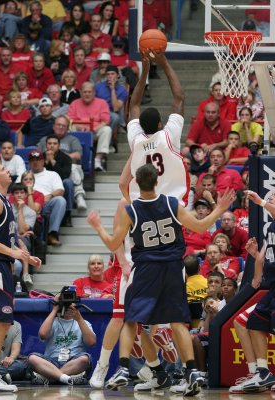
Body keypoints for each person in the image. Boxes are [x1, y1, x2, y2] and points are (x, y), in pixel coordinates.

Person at [88, 163, 235, 395]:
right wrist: (220, 209)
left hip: (146, 269)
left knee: (130, 319)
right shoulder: (172, 203)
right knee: (177, 322)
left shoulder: (131, 210)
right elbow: (199, 226)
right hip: (173, 268)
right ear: (157, 182)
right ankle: (191, 371)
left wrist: (98, 226)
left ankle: (124, 368)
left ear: (137, 183)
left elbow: (113, 244)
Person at [0, 156, 41, 393]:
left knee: (2, 321)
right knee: (2, 320)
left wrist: (25, 256)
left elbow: (8, 238)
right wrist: (11, 251)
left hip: (3, 265)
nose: (8, 170)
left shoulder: (6, 202)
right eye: (2, 168)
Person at [125, 52, 189, 205]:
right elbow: (179, 98)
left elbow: (134, 105)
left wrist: (145, 71)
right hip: (171, 201)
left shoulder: (135, 139)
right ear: (160, 124)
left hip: (142, 203)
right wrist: (164, 63)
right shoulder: (168, 137)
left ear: (139, 126)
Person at [228, 189, 275, 392]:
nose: (271, 197)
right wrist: (255, 255)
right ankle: (260, 373)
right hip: (272, 287)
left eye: (274, 196)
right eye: (270, 195)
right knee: (250, 322)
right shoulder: (270, 227)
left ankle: (261, 373)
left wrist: (262, 202)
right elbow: (262, 262)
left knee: (256, 322)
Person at [28, 292, 96, 385]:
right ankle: (66, 378)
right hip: (52, 362)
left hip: (73, 361)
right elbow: (43, 335)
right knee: (33, 358)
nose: (67, 305)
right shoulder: (53, 322)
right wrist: (54, 309)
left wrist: (79, 318)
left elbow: (91, 343)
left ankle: (50, 378)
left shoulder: (83, 322)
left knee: (84, 359)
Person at [67, 81, 112, 172]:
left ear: (94, 92)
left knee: (107, 129)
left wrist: (95, 128)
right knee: (70, 127)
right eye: (84, 92)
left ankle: (98, 159)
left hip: (95, 130)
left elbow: (105, 121)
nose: (87, 94)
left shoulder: (102, 103)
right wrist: (79, 127)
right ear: (80, 93)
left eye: (89, 92)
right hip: (79, 131)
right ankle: (72, 157)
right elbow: (70, 120)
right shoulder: (74, 103)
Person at [28, 149, 66, 246]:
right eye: (32, 160)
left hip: (46, 204)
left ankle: (52, 234)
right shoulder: (25, 175)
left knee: (60, 200)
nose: (35, 162)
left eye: (38, 159)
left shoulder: (52, 174)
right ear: (29, 162)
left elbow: (60, 190)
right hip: (29, 205)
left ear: (43, 161)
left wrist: (51, 195)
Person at [44, 134, 74, 227]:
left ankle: (68, 215)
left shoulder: (66, 158)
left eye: (55, 143)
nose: (52, 146)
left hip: (59, 185)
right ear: (46, 145)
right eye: (49, 143)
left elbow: (65, 175)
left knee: (68, 182)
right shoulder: (40, 157)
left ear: (59, 145)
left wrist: (53, 162)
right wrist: (45, 162)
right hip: (44, 184)